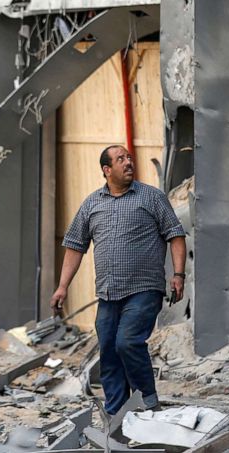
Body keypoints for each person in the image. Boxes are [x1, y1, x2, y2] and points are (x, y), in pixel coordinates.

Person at [50, 145, 187, 415]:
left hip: (144, 288)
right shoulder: (92, 203)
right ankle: (116, 413)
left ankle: (147, 400)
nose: (128, 162)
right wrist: (62, 287)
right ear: (106, 170)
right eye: (120, 159)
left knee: (128, 341)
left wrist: (178, 274)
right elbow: (75, 246)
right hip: (108, 293)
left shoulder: (152, 197)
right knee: (110, 351)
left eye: (129, 157)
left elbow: (176, 235)